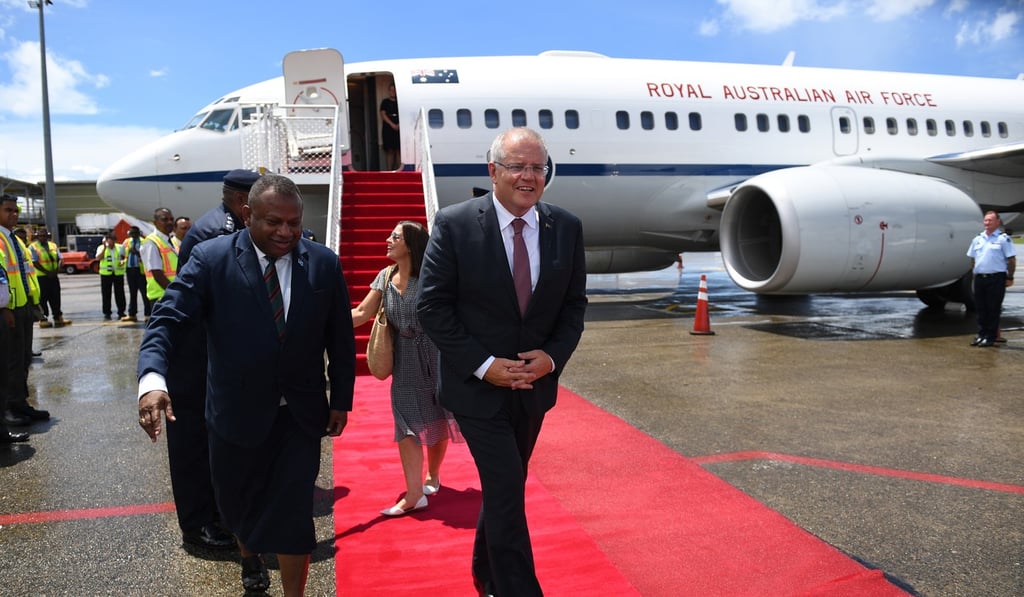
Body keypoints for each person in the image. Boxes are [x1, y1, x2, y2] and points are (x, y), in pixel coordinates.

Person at [136, 173, 356, 596]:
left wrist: (339, 398)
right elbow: (167, 319)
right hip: (233, 412)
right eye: (274, 222)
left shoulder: (323, 262)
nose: (286, 232)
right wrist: (152, 379)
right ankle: (249, 557)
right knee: (239, 503)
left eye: (294, 223)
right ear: (247, 213)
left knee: (294, 512)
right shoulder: (211, 258)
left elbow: (340, 338)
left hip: (299, 414)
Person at [417, 128, 587, 596]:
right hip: (476, 390)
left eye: (537, 167)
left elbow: (574, 306)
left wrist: (551, 358)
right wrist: (483, 364)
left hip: (534, 390)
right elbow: (432, 306)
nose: (529, 176)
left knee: (504, 489)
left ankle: (485, 572)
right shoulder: (453, 224)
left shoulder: (565, 227)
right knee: (508, 486)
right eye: (518, 166)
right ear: (493, 171)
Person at [162, 168, 259, 552]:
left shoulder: (226, 223)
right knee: (193, 446)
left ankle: (215, 513)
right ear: (242, 201)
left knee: (212, 442)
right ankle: (198, 525)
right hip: (195, 355)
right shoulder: (215, 232)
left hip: (209, 351)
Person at [350, 220, 459, 516]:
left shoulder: (432, 277)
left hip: (437, 357)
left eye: (394, 236)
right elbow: (361, 312)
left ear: (410, 244)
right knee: (406, 425)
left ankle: (433, 474)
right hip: (405, 361)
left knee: (437, 420)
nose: (387, 240)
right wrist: (321, 322)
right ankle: (414, 495)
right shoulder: (385, 277)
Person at [0, 195, 48, 426]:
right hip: (10, 308)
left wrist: (33, 302)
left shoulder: (15, 239)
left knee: (23, 358)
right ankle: (9, 407)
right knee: (10, 360)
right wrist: (5, 308)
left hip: (24, 306)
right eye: (8, 210)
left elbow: (25, 273)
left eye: (16, 210)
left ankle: (20, 402)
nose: (14, 214)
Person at [966, 211, 1016, 347]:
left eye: (990, 220)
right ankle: (982, 334)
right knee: (981, 309)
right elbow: (972, 258)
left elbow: (1011, 260)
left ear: (997, 222)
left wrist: (1010, 277)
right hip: (980, 278)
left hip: (996, 278)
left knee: (993, 309)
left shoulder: (1003, 239)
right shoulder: (977, 239)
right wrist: (975, 273)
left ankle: (991, 337)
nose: (987, 223)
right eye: (986, 220)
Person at [30, 228, 70, 328]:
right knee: (43, 298)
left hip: (53, 276)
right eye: (40, 236)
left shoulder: (53, 245)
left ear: (48, 236)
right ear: (37, 237)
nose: (43, 238)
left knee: (56, 297)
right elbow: (34, 262)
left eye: (44, 236)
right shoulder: (33, 247)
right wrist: (47, 272)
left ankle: (58, 317)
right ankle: (43, 319)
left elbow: (60, 258)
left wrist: (57, 270)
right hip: (42, 277)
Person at [141, 207, 177, 303]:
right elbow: (157, 273)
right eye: (164, 219)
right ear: (155, 222)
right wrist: (174, 292)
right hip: (162, 297)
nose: (169, 222)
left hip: (169, 295)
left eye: (171, 219)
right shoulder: (151, 243)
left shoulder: (170, 241)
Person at [121, 226, 150, 322]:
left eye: (134, 234)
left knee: (145, 293)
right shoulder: (127, 242)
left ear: (138, 233)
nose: (132, 236)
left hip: (140, 270)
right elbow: (122, 254)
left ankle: (148, 314)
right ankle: (132, 314)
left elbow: (147, 256)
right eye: (131, 234)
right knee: (132, 293)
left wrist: (137, 253)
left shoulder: (144, 242)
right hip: (130, 269)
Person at [96, 233, 127, 321]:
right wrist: (105, 248)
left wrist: (122, 262)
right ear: (106, 240)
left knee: (120, 293)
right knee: (106, 294)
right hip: (106, 274)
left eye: (113, 240)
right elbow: (98, 258)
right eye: (109, 240)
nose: (111, 242)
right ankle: (107, 312)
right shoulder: (101, 248)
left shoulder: (120, 247)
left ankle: (121, 311)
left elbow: (123, 258)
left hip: (118, 273)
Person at [380, 84, 401, 171]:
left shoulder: (400, 101)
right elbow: (383, 114)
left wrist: (399, 124)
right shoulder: (385, 102)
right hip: (388, 128)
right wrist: (392, 124)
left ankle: (400, 170)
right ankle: (389, 170)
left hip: (399, 128)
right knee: (390, 150)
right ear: (389, 91)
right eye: (391, 90)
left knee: (399, 150)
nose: (393, 92)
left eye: (394, 90)